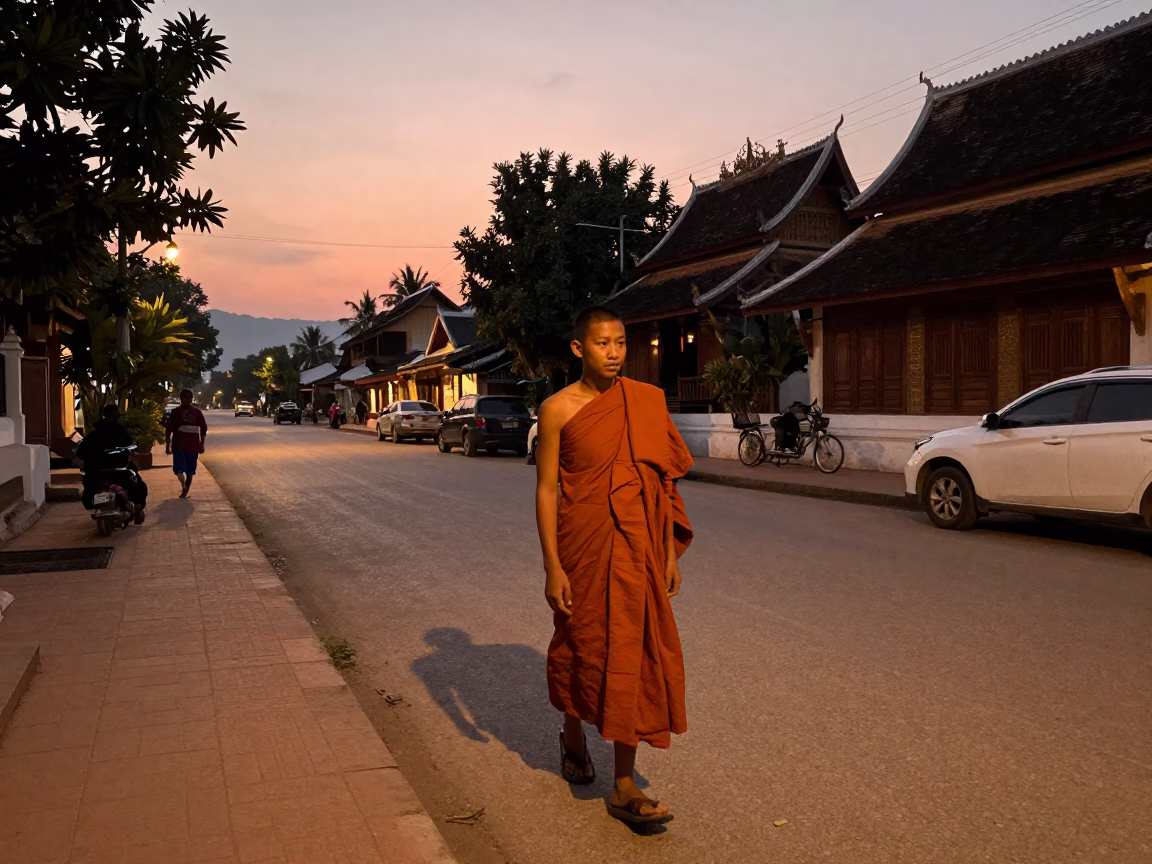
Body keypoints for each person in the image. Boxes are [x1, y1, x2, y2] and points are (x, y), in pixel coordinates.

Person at [534, 306, 693, 826]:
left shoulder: (645, 402)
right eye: (603, 344)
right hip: (582, 545)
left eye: (621, 343)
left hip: (638, 548)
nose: (614, 353)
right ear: (579, 348)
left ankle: (624, 784)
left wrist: (666, 554)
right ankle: (573, 736)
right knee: (580, 644)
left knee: (634, 650)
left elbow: (662, 485)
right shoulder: (557, 409)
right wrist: (552, 566)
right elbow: (548, 489)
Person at [75, 403, 148, 522]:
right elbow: (130, 447)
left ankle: (135, 510)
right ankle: (138, 511)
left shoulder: (93, 435)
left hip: (96, 472)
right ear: (117, 415)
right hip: (118, 471)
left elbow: (80, 454)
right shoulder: (121, 433)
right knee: (138, 484)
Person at [165, 389, 207, 498]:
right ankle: (184, 486)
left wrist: (202, 445)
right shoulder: (179, 412)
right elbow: (168, 429)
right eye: (185, 397)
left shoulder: (194, 412)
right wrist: (167, 445)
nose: (187, 399)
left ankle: (185, 487)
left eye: (188, 397)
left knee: (187, 470)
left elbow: (203, 429)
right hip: (182, 445)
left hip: (189, 445)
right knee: (184, 469)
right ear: (181, 398)